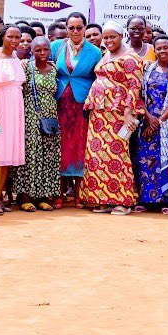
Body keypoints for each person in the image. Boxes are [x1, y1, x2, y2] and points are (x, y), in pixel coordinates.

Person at [80, 20, 145, 215]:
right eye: (105, 37)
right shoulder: (105, 54)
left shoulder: (131, 57)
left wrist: (128, 112)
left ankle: (123, 201)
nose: (108, 40)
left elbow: (135, 86)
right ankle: (104, 198)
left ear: (121, 36)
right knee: (98, 155)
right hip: (99, 113)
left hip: (117, 114)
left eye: (112, 37)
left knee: (118, 154)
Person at [51, 12, 101, 203]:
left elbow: (98, 79)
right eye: (71, 28)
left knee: (80, 146)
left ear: (85, 28)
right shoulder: (56, 46)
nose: (75, 31)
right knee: (61, 146)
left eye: (79, 27)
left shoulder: (95, 52)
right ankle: (60, 192)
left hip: (82, 104)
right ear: (66, 28)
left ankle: (80, 192)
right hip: (60, 103)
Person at [14, 36, 62, 211]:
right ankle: (25, 196)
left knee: (48, 155)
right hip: (30, 115)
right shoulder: (26, 68)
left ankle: (42, 195)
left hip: (50, 116)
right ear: (32, 51)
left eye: (45, 50)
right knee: (30, 155)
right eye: (38, 50)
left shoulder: (55, 68)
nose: (42, 53)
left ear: (50, 50)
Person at [138, 34, 168, 207]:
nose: (162, 50)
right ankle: (147, 200)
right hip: (146, 121)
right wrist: (149, 119)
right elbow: (140, 95)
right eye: (159, 48)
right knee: (145, 159)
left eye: (166, 47)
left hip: (167, 123)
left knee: (165, 160)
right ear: (154, 50)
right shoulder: (147, 70)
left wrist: (159, 120)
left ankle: (165, 201)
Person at [0, 24, 27, 214]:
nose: (14, 40)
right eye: (10, 36)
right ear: (2, 36)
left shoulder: (16, 57)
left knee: (7, 157)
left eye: (17, 37)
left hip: (15, 110)